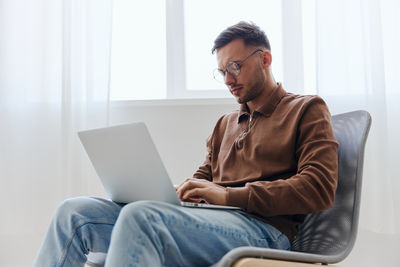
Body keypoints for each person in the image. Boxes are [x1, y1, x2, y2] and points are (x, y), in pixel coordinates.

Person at [34, 21, 338, 267]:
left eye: (234, 67)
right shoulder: (225, 124)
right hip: (211, 222)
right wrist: (173, 194)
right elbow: (202, 180)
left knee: (142, 218)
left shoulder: (306, 109)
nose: (228, 79)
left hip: (264, 232)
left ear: (265, 59)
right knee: (74, 212)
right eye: (222, 73)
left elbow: (318, 188)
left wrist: (229, 196)